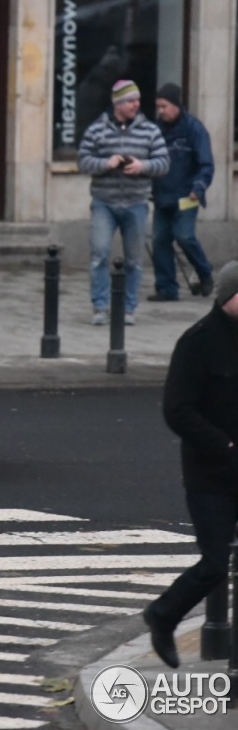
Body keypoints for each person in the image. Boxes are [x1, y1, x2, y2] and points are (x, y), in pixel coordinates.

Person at [142, 260, 238, 669]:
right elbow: (177, 411)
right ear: (230, 297)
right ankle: (163, 616)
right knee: (215, 563)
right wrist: (225, 444)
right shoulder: (196, 343)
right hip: (210, 476)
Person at [77, 80, 169, 326]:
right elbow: (83, 161)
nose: (136, 104)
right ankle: (100, 307)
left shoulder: (150, 130)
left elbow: (163, 162)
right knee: (99, 255)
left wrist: (143, 166)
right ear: (117, 103)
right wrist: (105, 164)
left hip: (136, 203)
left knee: (134, 260)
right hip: (103, 202)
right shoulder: (97, 129)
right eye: (130, 100)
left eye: (137, 100)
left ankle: (129, 309)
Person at [148, 83, 215, 301]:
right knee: (160, 240)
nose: (161, 111)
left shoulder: (194, 129)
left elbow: (206, 164)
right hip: (162, 196)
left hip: (187, 196)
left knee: (184, 236)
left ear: (177, 105)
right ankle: (167, 288)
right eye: (158, 107)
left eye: (164, 106)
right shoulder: (155, 130)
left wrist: (199, 187)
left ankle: (205, 273)